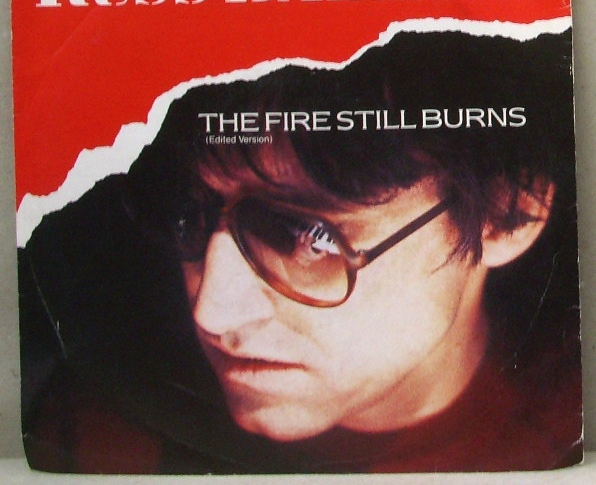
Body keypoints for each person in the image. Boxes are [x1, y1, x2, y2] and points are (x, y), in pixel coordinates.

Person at [19, 30, 582, 473]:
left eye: (309, 236)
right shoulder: (97, 434)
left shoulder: (570, 430)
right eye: (189, 213)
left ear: (509, 213)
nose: (212, 311)